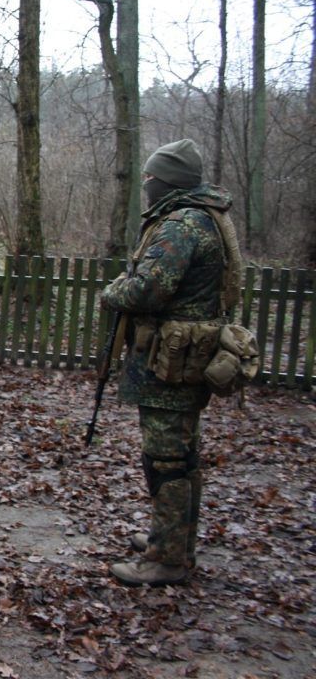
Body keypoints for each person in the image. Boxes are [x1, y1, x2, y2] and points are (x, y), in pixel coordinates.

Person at [101, 138, 240, 587]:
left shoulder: (182, 225)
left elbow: (147, 290)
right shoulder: (204, 216)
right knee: (181, 455)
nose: (146, 184)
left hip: (171, 361)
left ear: (167, 182)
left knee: (167, 459)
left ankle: (167, 558)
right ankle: (174, 539)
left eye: (150, 178)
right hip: (182, 356)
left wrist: (113, 291)